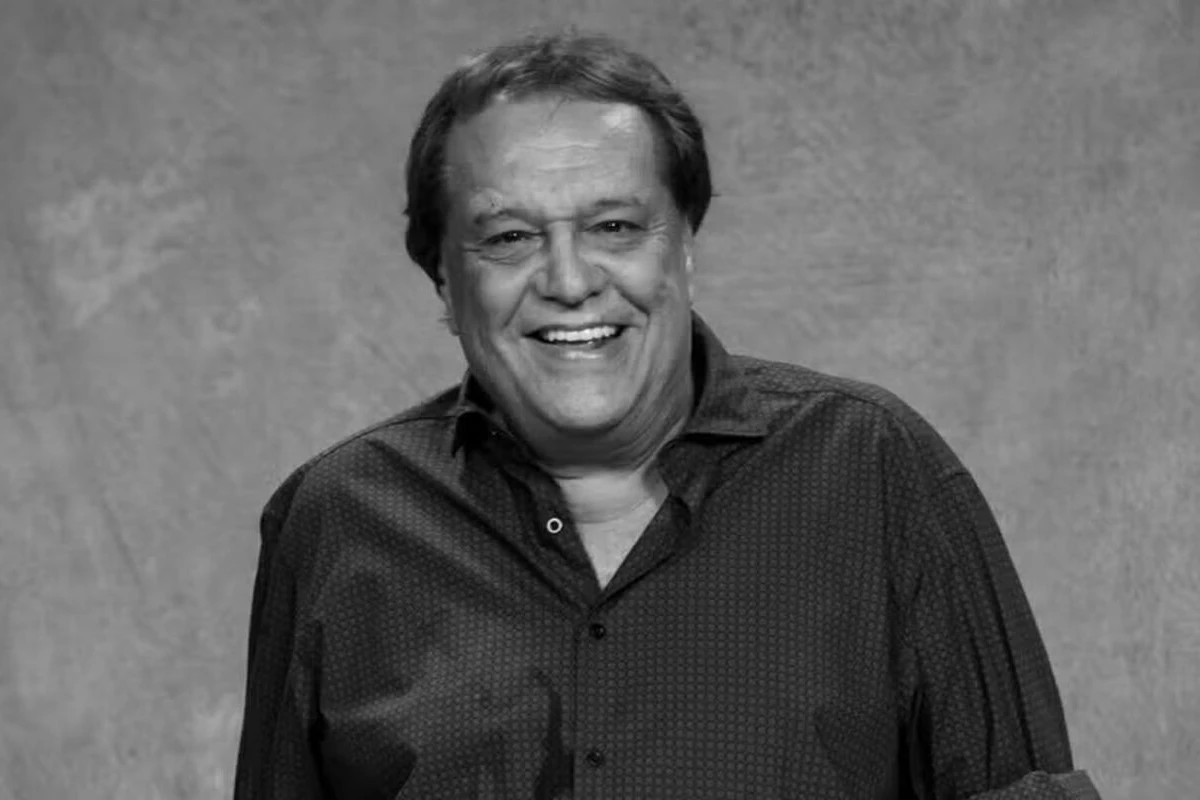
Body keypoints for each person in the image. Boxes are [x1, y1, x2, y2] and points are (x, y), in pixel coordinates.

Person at [234, 29, 1101, 799]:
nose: (569, 280)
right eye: (509, 238)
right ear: (444, 284)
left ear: (684, 247)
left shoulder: (874, 470)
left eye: (614, 226)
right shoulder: (337, 519)